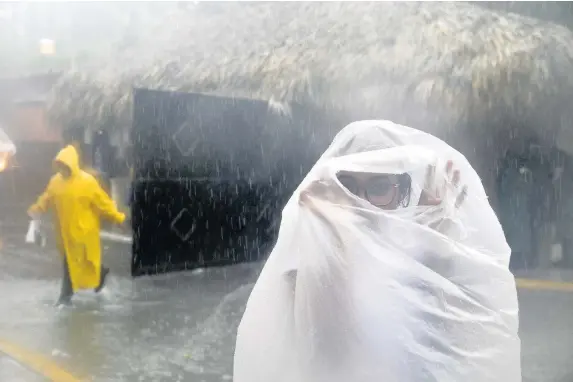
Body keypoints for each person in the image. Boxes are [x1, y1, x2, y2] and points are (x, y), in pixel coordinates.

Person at [234, 120, 521, 382]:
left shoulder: (416, 253)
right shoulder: (313, 260)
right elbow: (325, 336)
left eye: (380, 186)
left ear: (401, 194)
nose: (361, 202)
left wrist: (443, 231)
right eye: (347, 186)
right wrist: (324, 234)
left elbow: (461, 330)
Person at [28, 145, 126, 306]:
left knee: (72, 263)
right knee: (76, 261)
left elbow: (103, 203)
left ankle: (65, 297)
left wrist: (119, 218)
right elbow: (46, 198)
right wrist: (36, 209)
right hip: (65, 233)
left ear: (72, 164)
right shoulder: (55, 182)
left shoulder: (87, 182)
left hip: (84, 232)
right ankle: (100, 273)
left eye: (64, 165)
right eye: (59, 165)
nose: (62, 168)